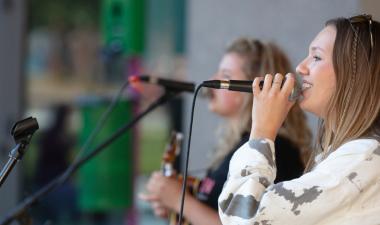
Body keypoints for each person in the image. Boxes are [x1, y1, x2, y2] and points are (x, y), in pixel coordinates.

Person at [218, 14, 380, 225]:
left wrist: (262, 133)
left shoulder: (362, 159)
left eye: (317, 57)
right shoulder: (349, 156)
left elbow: (246, 217)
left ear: (354, 76)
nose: (300, 68)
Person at [140, 38, 312, 225]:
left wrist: (179, 201)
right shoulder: (242, 145)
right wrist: (176, 205)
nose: (214, 80)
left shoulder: (274, 149)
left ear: (255, 88)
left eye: (226, 75)